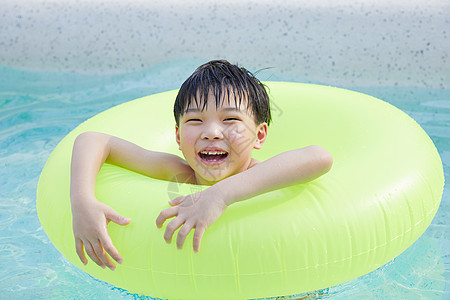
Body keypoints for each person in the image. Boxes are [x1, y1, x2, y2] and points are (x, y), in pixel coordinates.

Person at [70, 60, 333, 271]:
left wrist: (219, 195)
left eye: (230, 119)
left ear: (260, 136)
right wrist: (83, 202)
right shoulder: (180, 173)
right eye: (195, 120)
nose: (212, 132)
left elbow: (319, 157)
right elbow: (93, 140)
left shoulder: (258, 174)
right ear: (177, 136)